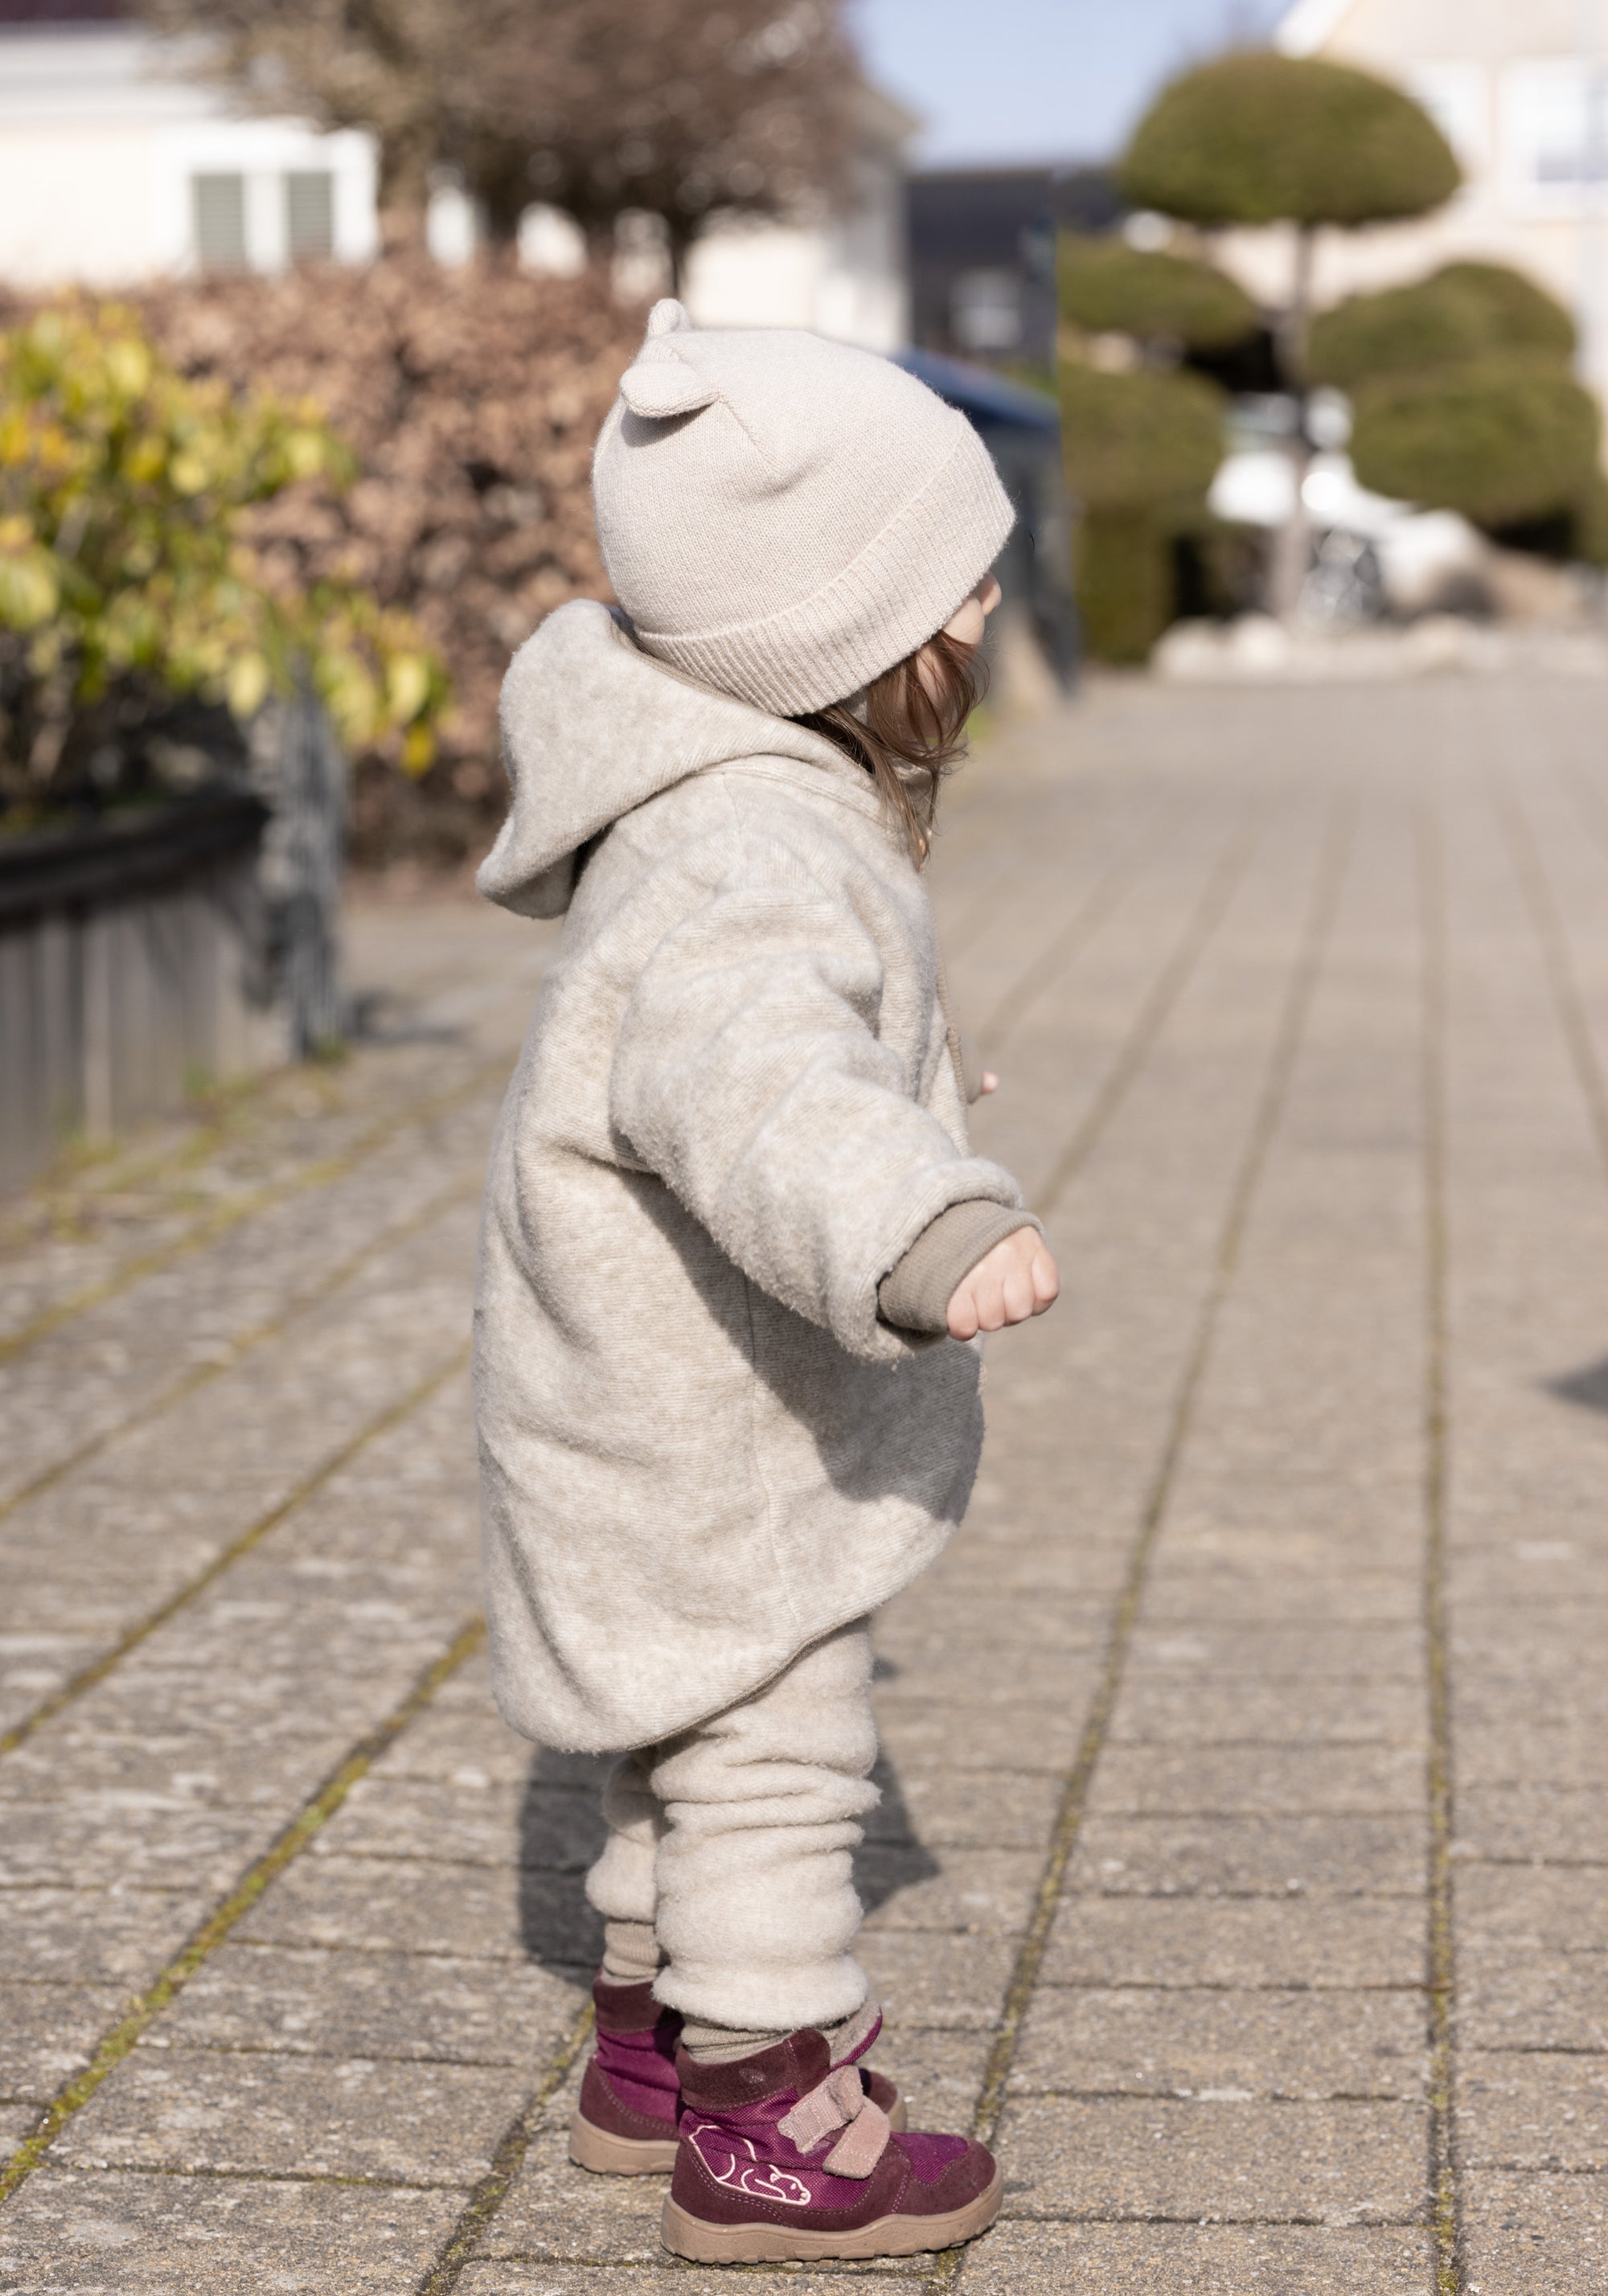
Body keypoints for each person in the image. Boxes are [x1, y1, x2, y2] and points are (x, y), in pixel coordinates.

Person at [474, 299, 1060, 2266]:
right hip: (716, 1440)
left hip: (637, 1402)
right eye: (952, 586)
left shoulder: (719, 796)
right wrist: (920, 1219)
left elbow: (769, 1048)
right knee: (776, 1755)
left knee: (685, 1725)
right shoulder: (753, 849)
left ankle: (641, 2052)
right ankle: (762, 2108)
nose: (986, 608)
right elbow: (749, 1079)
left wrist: (902, 1075)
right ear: (841, 640)